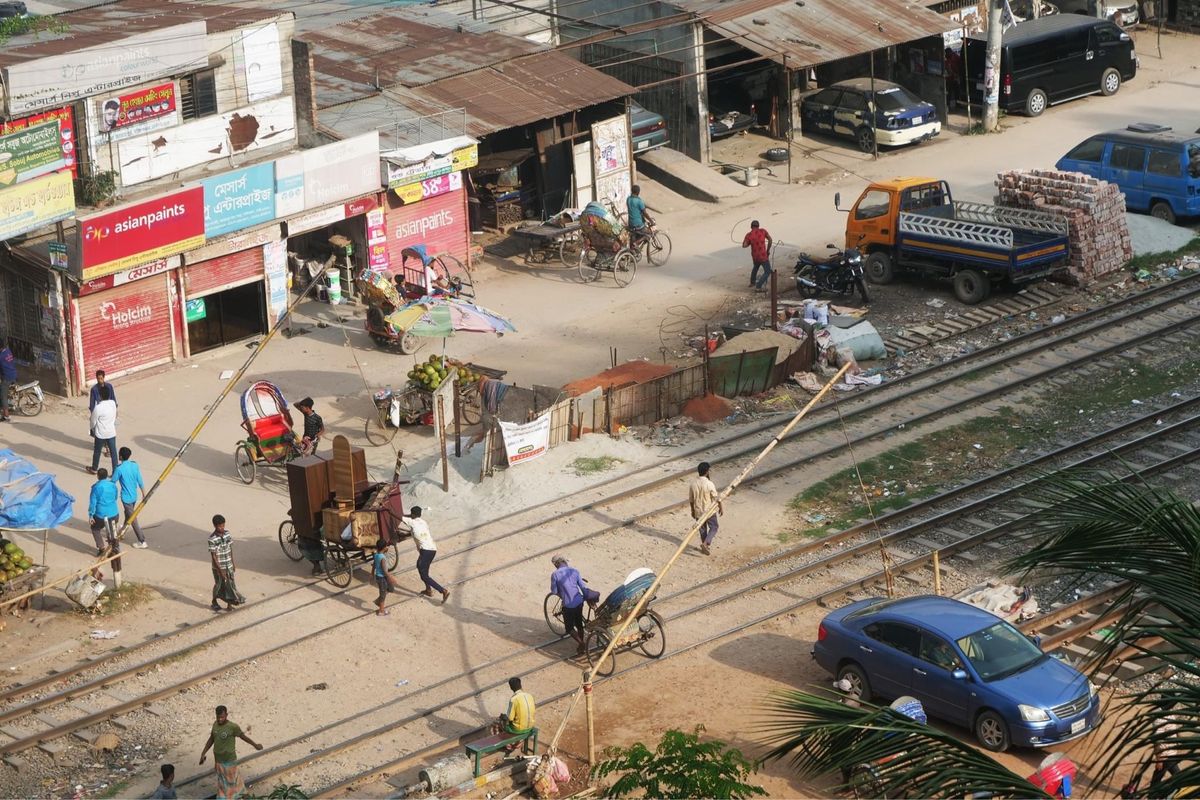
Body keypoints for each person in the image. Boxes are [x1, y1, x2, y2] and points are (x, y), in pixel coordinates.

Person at [199, 705, 263, 800]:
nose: (220, 719)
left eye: (222, 717)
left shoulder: (232, 727)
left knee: (230, 780)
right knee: (225, 781)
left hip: (229, 760)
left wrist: (255, 745)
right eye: (218, 717)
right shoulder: (215, 725)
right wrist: (203, 753)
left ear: (227, 715)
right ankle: (238, 795)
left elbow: (243, 737)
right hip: (219, 761)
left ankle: (227, 797)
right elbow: (211, 739)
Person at [549, 555, 596, 656]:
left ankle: (581, 643)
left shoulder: (555, 575)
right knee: (579, 624)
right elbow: (583, 587)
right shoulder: (575, 571)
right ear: (565, 562)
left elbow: (554, 591)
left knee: (569, 628)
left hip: (568, 605)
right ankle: (581, 647)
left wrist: (562, 594)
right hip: (579, 601)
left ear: (556, 564)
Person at [406, 507, 449, 603]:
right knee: (422, 569)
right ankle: (428, 590)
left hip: (425, 551)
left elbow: (399, 517)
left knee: (424, 575)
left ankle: (443, 591)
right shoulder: (423, 522)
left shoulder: (412, 522)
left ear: (412, 515)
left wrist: (388, 511)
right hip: (432, 549)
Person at [208, 515, 245, 612]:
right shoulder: (212, 539)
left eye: (223, 525)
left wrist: (232, 563)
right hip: (218, 567)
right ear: (215, 526)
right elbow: (214, 556)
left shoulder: (227, 534)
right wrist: (220, 571)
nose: (222, 528)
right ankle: (214, 601)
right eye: (220, 526)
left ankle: (229, 605)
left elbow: (230, 549)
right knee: (219, 585)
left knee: (231, 584)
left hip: (228, 564)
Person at [113, 447, 147, 548]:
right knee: (128, 514)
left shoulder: (119, 469)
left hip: (126, 498)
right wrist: (144, 493)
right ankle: (123, 531)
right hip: (134, 496)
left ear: (121, 456)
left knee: (132, 518)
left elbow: (113, 482)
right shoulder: (134, 465)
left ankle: (142, 541)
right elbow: (140, 480)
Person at [688, 461, 723, 556]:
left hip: (698, 511)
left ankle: (705, 546)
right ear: (707, 471)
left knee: (702, 530)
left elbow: (691, 500)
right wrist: (720, 507)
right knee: (714, 527)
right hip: (709, 511)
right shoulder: (709, 483)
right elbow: (716, 497)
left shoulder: (693, 484)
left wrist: (692, 511)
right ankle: (706, 543)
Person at [493, 676, 536, 745]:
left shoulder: (514, 699)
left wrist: (503, 717)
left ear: (511, 688)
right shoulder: (529, 696)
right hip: (530, 726)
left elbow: (510, 718)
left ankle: (504, 745)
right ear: (520, 685)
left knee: (497, 723)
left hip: (518, 729)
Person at [88, 468, 120, 557]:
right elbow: (115, 497)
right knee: (113, 529)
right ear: (106, 476)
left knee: (95, 528)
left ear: (98, 476)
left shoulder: (96, 487)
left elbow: (92, 503)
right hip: (114, 513)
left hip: (100, 515)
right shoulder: (113, 486)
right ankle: (115, 546)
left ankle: (101, 548)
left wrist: (91, 515)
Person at [87, 384, 118, 475]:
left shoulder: (98, 407)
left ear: (100, 396)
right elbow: (115, 414)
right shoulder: (112, 403)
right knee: (113, 453)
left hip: (100, 434)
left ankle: (94, 468)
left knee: (97, 451)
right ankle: (115, 471)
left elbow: (93, 420)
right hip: (111, 432)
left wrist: (92, 429)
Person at [1150, 710, 1181, 790]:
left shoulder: (1171, 714)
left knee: (1157, 777)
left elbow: (1175, 730)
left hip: (1171, 753)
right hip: (1165, 755)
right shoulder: (1159, 719)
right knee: (1178, 777)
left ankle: (1151, 795)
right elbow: (1157, 739)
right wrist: (1159, 758)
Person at [741, 220, 774, 292]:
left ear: (751, 227)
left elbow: (744, 245)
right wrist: (768, 250)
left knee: (755, 267)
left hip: (755, 256)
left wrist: (747, 242)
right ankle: (758, 286)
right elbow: (770, 240)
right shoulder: (763, 231)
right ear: (758, 226)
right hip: (763, 255)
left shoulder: (749, 235)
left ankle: (752, 283)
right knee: (767, 271)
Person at [372, 539, 397, 617]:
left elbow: (374, 564)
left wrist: (372, 573)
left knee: (391, 588)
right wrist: (391, 578)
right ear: (384, 548)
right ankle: (381, 611)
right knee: (383, 594)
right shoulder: (382, 558)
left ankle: (378, 601)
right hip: (382, 578)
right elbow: (385, 571)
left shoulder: (376, 555)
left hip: (381, 577)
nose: (387, 547)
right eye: (386, 546)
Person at [0, 337, 15, 423]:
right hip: (13, 374)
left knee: (3, 396)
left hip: (7, 378)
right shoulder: (8, 351)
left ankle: (6, 415)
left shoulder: (1, 357)